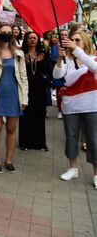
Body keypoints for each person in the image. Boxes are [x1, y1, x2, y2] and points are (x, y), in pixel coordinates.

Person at [53, 31, 97, 189]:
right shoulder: (68, 60)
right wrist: (59, 59)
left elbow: (94, 68)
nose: (73, 42)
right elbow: (57, 75)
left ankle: (96, 174)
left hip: (91, 105)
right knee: (71, 137)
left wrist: (77, 50)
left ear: (85, 41)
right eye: (72, 40)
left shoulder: (92, 58)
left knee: (93, 139)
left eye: (77, 40)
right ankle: (73, 168)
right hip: (71, 105)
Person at [0, 24, 28, 174]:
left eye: (9, 32)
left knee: (11, 129)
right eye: (4, 32)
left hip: (14, 95)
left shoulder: (19, 54)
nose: (7, 34)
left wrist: (24, 98)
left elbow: (23, 77)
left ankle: (9, 160)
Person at [19, 32, 51, 151]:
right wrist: (26, 63)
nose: (32, 40)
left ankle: (40, 143)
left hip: (39, 88)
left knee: (39, 114)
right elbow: (18, 71)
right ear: (26, 40)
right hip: (25, 88)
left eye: (35, 38)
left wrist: (40, 62)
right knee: (26, 114)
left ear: (38, 40)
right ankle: (24, 142)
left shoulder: (43, 54)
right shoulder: (21, 54)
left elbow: (48, 70)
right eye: (30, 38)